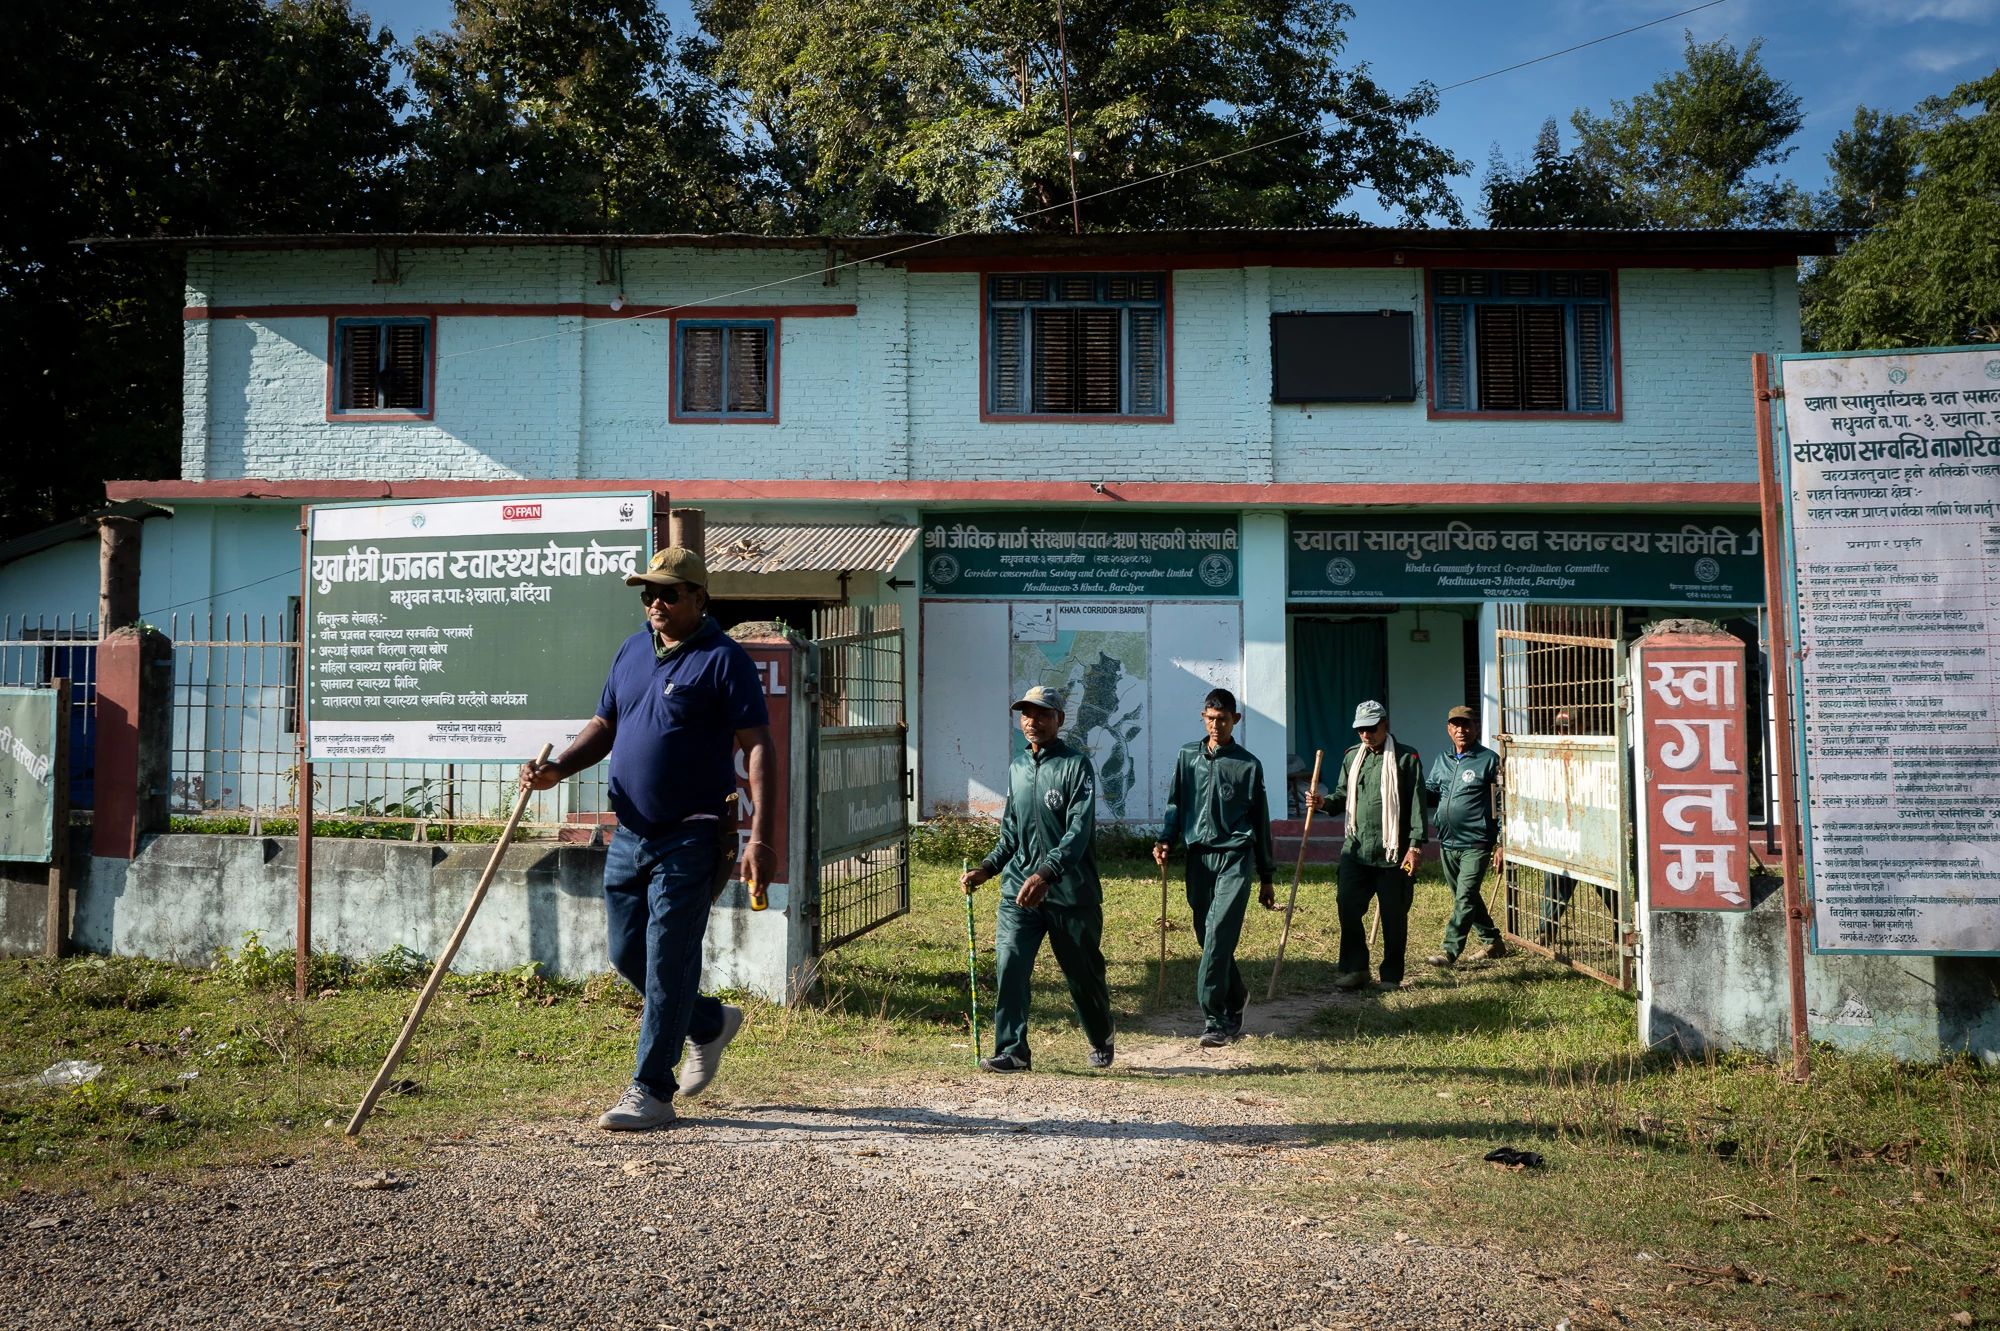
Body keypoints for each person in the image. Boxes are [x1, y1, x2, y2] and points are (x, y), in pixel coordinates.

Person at [519, 547, 774, 1131]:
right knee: (626, 952)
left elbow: (758, 745)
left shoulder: (722, 660)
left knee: (665, 961)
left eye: (668, 593)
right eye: (648, 594)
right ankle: (707, 1023)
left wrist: (760, 836)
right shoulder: (633, 650)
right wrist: (559, 767)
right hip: (629, 833)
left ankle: (652, 1091)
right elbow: (605, 724)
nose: (655, 603)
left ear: (699, 598)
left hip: (693, 835)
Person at [960, 685, 1114, 1072]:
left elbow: (1078, 832)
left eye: (1042, 714)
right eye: (1026, 714)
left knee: (1083, 974)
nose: (1033, 721)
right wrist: (987, 868)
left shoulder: (1077, 766)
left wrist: (1047, 873)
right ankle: (1013, 1050)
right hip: (1018, 891)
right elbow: (1011, 831)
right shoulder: (1017, 767)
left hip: (1070, 892)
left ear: (1059, 720)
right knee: (1010, 963)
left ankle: (1100, 1035)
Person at [1153, 688, 1276, 1047]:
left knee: (1220, 933)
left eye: (1222, 719)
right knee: (1205, 936)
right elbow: (1176, 804)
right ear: (1203, 717)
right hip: (1198, 857)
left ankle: (1215, 1018)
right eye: (1210, 718)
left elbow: (1262, 822)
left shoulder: (1248, 765)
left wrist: (1266, 876)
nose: (1215, 725)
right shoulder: (1187, 756)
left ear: (1235, 719)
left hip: (1236, 856)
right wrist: (1165, 839)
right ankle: (1237, 996)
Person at [1307, 700, 1426, 990]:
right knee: (1347, 906)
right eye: (1360, 729)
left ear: (1385, 724)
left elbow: (1416, 805)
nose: (1365, 735)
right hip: (1357, 849)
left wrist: (1415, 846)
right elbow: (1341, 796)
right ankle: (1356, 968)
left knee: (1394, 916)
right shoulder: (1352, 757)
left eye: (1371, 729)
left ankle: (1391, 975)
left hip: (1393, 852)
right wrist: (1323, 803)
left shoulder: (1406, 758)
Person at [1422, 704, 1506, 968]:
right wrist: (1406, 786)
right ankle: (1493, 942)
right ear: (1448, 729)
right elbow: (1431, 792)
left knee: (1465, 896)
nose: (1461, 729)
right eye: (1456, 725)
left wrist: (1502, 842)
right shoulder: (1442, 760)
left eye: (1467, 724)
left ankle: (1449, 951)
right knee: (1465, 895)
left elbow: (1503, 803)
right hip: (1447, 841)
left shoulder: (1489, 760)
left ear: (1476, 728)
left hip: (1477, 841)